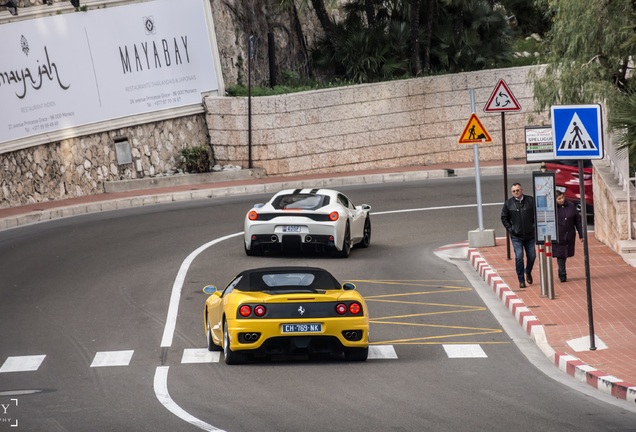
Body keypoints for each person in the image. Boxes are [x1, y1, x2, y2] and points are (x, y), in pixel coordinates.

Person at [501, 182, 536, 288]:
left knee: (532, 256)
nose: (516, 192)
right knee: (519, 257)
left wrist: (533, 226)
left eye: (518, 190)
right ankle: (521, 280)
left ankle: (528, 271)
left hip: (530, 235)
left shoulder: (530, 200)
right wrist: (511, 229)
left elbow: (537, 214)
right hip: (516, 236)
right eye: (514, 191)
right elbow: (504, 217)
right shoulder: (508, 203)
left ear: (522, 190)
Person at [553, 190, 583, 282]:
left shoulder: (571, 205)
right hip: (559, 235)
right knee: (560, 254)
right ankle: (562, 273)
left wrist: (581, 234)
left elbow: (577, 220)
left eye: (562, 197)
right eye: (559, 199)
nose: (561, 200)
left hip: (569, 234)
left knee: (566, 253)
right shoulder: (553, 208)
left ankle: (562, 270)